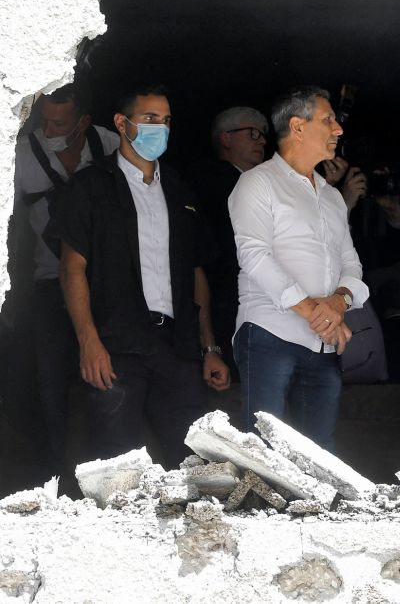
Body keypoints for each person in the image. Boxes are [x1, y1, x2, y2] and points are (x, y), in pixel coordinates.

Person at [53, 85, 230, 466]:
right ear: (122, 123)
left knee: (198, 461)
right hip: (116, 346)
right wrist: (89, 342)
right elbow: (72, 267)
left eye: (166, 121)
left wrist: (209, 348)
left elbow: (196, 270)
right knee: (116, 469)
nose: (160, 128)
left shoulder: (179, 191)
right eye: (150, 118)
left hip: (177, 348)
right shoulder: (91, 185)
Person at [228, 88, 369, 450]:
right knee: (263, 451)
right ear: (297, 126)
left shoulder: (333, 196)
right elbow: (254, 255)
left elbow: (351, 263)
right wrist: (316, 312)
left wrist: (339, 303)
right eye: (328, 120)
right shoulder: (257, 182)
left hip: (322, 344)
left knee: (319, 455)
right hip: (268, 334)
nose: (338, 129)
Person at [13, 84, 120, 476]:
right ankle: (57, 475)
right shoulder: (22, 152)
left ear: (83, 122)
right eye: (46, 120)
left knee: (109, 378)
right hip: (47, 282)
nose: (51, 128)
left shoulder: (108, 143)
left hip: (108, 284)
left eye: (61, 122)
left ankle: (106, 473)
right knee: (51, 381)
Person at [188, 106, 269, 365]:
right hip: (227, 298)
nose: (262, 141)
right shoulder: (210, 177)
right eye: (253, 134)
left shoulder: (263, 182)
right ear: (226, 138)